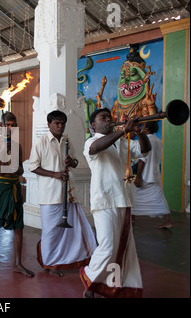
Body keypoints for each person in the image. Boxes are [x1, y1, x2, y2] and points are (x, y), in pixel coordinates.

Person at [80, 108, 151, 298]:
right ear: (93, 125)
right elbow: (96, 149)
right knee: (108, 246)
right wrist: (123, 130)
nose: (108, 121)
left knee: (122, 248)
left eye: (110, 118)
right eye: (103, 118)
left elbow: (145, 150)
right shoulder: (91, 141)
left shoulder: (121, 141)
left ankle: (112, 285)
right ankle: (89, 278)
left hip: (123, 199)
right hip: (104, 201)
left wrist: (138, 131)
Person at [28, 110, 97, 277]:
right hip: (50, 195)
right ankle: (50, 263)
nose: (60, 126)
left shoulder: (67, 140)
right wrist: (55, 174)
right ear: (49, 124)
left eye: (62, 123)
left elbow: (74, 162)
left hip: (68, 193)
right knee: (51, 231)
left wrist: (71, 162)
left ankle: (65, 259)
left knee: (69, 231)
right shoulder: (41, 142)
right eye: (56, 123)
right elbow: (32, 166)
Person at [0, 112, 35, 277]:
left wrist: (14, 166)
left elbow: (20, 170)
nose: (11, 128)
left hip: (15, 187)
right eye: (8, 125)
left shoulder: (18, 146)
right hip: (1, 187)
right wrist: (4, 152)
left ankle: (17, 264)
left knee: (19, 226)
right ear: (1, 126)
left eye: (13, 124)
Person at [132, 121, 172, 229]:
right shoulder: (158, 141)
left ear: (147, 129)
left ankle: (132, 218)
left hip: (146, 174)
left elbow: (142, 159)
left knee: (133, 194)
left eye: (143, 126)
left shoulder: (146, 140)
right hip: (154, 173)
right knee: (159, 197)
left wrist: (138, 177)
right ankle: (167, 221)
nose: (142, 128)